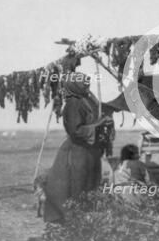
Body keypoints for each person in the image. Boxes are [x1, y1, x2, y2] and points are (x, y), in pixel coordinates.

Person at [43, 79, 113, 223]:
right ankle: (75, 219)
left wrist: (105, 123)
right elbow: (75, 130)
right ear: (74, 85)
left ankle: (86, 218)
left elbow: (94, 120)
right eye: (82, 83)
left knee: (91, 183)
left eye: (87, 82)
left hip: (90, 149)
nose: (87, 85)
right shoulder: (73, 103)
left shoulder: (88, 99)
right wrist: (98, 124)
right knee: (79, 184)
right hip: (78, 150)